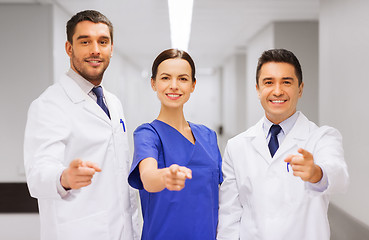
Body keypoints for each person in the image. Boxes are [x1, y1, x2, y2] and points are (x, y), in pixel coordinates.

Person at [24, 10, 140, 240]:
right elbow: (37, 174)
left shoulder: (113, 102)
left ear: (111, 49)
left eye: (103, 42)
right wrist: (64, 177)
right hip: (79, 232)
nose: (95, 50)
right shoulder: (49, 104)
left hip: (123, 230)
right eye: (85, 41)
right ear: (69, 48)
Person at [217, 49, 349, 240]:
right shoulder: (237, 146)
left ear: (300, 89)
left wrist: (316, 173)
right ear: (258, 89)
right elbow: (229, 215)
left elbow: (339, 176)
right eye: (268, 82)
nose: (277, 91)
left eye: (286, 82)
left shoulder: (322, 137)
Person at [128, 48, 223, 240]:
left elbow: (222, 194)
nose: (174, 85)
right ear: (153, 83)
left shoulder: (208, 136)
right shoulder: (148, 133)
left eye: (182, 78)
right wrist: (165, 176)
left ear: (193, 85)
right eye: (165, 78)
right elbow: (148, 177)